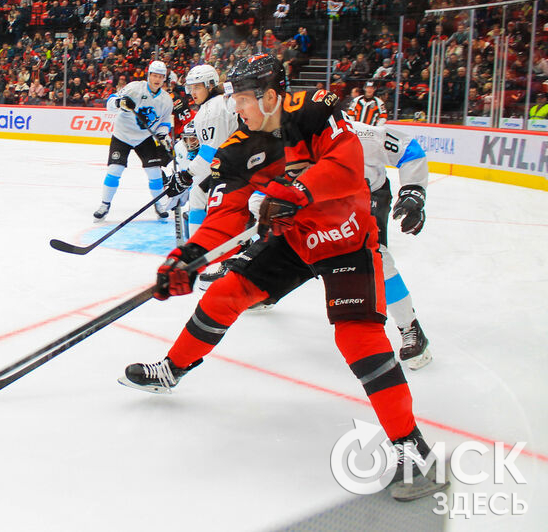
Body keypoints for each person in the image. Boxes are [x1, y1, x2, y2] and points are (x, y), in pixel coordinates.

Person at [119, 55, 445, 502]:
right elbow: (230, 212)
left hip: (346, 236)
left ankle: (412, 449)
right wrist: (188, 256)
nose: (238, 109)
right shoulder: (240, 145)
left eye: (243, 99)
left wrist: (299, 192)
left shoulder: (313, 110)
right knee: (226, 293)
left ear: (270, 96)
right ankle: (172, 369)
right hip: (296, 239)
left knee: (357, 336)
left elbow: (347, 164)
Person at [347, 117, 432, 369]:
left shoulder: (364, 135)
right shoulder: (299, 134)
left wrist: (413, 191)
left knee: (376, 259)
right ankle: (268, 291)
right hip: (330, 199)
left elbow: (410, 149)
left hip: (369, 196)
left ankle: (410, 327)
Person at [94, 60, 174, 221]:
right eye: (154, 75)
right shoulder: (134, 87)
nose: (157, 79)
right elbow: (110, 102)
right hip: (122, 135)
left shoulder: (166, 100)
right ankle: (105, 204)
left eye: (160, 76)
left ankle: (158, 204)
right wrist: (119, 102)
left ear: (164, 78)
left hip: (144, 138)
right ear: (149, 75)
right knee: (114, 170)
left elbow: (164, 123)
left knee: (154, 172)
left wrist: (163, 135)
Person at [163, 64, 236, 241]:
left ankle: (212, 247)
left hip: (237, 167)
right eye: (190, 88)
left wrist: (185, 176)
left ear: (210, 85)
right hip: (233, 161)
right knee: (197, 193)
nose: (192, 92)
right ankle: (197, 246)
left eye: (197, 87)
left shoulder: (213, 109)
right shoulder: (214, 104)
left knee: (211, 199)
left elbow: (210, 155)